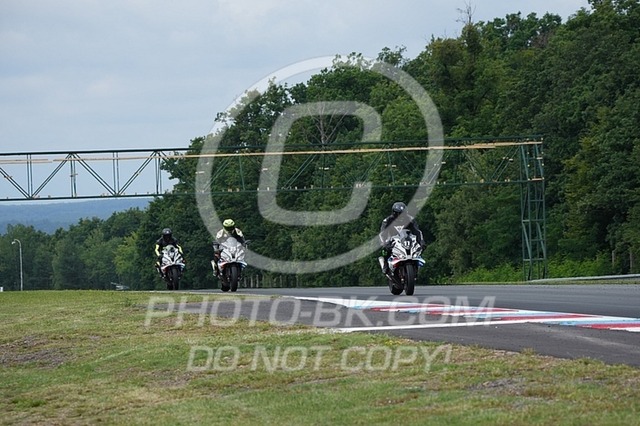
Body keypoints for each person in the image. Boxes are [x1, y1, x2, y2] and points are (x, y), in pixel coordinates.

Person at [378, 202, 425, 275]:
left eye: (404, 213)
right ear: (394, 213)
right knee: (385, 249)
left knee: (419, 247)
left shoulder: (410, 219)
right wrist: (384, 243)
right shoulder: (387, 221)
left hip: (406, 239)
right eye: (400, 214)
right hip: (392, 239)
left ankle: (416, 262)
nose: (402, 216)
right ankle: (385, 264)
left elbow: (417, 231)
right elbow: (382, 233)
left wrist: (421, 241)